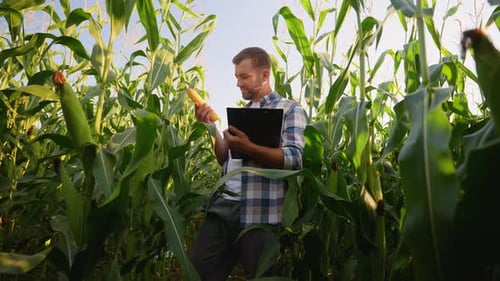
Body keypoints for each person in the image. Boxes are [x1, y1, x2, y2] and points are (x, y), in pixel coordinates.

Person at [191, 47, 307, 280]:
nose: (238, 83)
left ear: (264, 76)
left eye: (244, 77)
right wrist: (212, 129)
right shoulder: (241, 114)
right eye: (236, 77)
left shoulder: (288, 109)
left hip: (259, 214)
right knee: (198, 269)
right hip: (223, 207)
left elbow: (294, 159)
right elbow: (225, 158)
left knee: (260, 275)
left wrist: (250, 148)